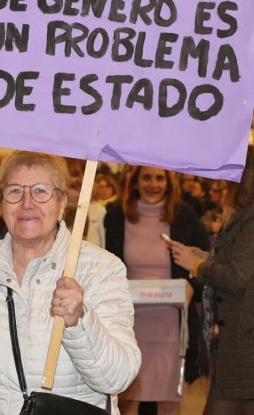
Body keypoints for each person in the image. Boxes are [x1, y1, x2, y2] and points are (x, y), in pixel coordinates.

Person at [0, 151, 141, 414]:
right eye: (15, 191)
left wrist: (79, 322)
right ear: (2, 202)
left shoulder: (101, 268)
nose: (27, 203)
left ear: (62, 202)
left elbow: (117, 377)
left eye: (41, 191)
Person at [170, 145, 254, 415]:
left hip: (249, 336)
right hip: (248, 333)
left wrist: (198, 266)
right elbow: (245, 266)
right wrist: (203, 257)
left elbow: (235, 276)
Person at [104, 166, 209, 415]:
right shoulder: (117, 216)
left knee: (169, 399)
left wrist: (192, 287)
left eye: (160, 178)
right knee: (127, 399)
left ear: (169, 182)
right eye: (147, 177)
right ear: (136, 182)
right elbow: (107, 264)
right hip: (129, 323)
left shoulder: (184, 215)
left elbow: (205, 262)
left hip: (170, 325)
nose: (154, 184)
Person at [64, 157, 107, 248]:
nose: (82, 180)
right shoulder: (49, 213)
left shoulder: (99, 212)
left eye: (85, 174)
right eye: (74, 174)